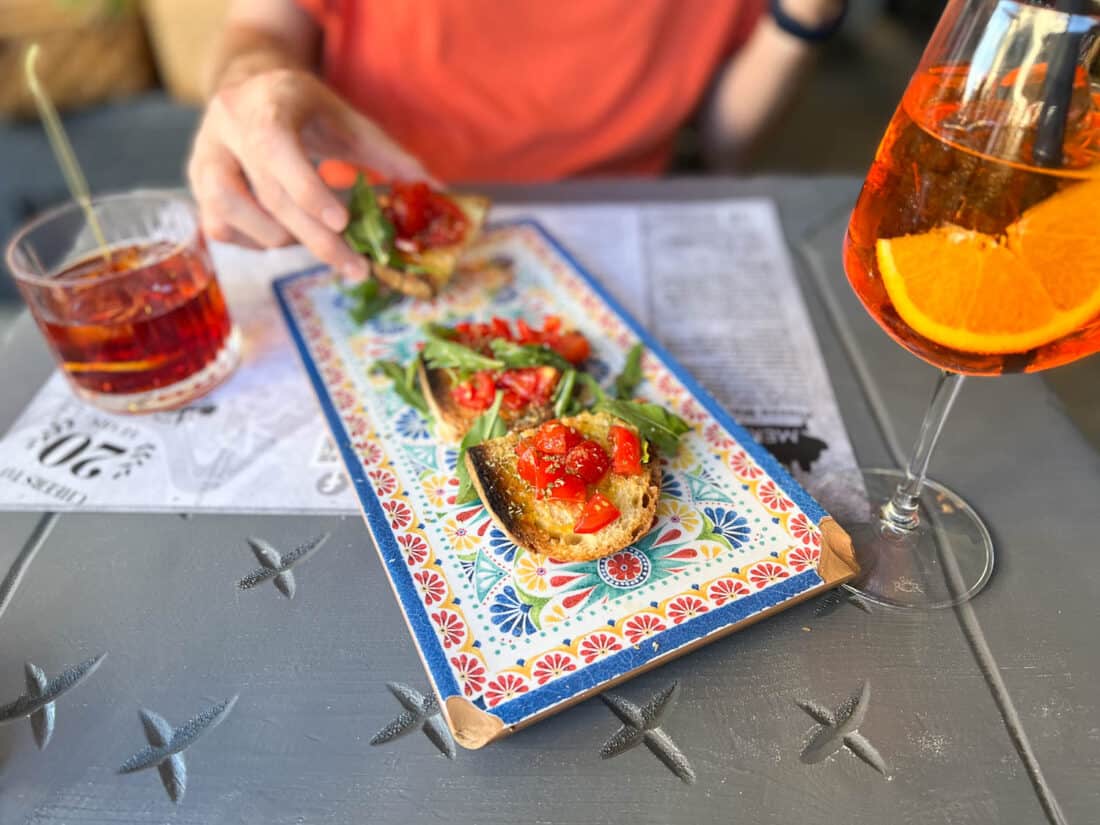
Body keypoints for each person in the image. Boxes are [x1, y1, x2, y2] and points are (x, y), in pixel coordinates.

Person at [188, 0, 848, 281]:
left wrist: (805, 16)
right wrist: (254, 82)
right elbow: (262, 30)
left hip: (611, 237)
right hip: (362, 233)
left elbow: (724, 143)